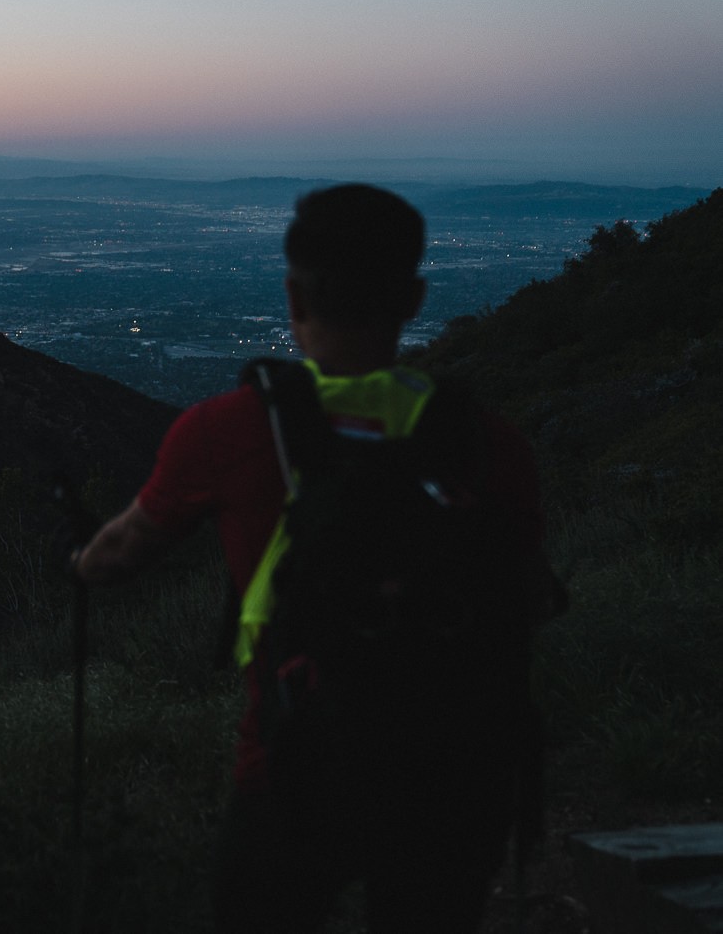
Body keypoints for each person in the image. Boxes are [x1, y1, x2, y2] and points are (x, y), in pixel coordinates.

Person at [70, 183, 560, 933]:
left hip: (292, 767)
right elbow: (525, 594)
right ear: (414, 297)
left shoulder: (230, 431)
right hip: (452, 773)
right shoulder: (487, 443)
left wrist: (76, 561)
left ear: (295, 296)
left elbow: (118, 555)